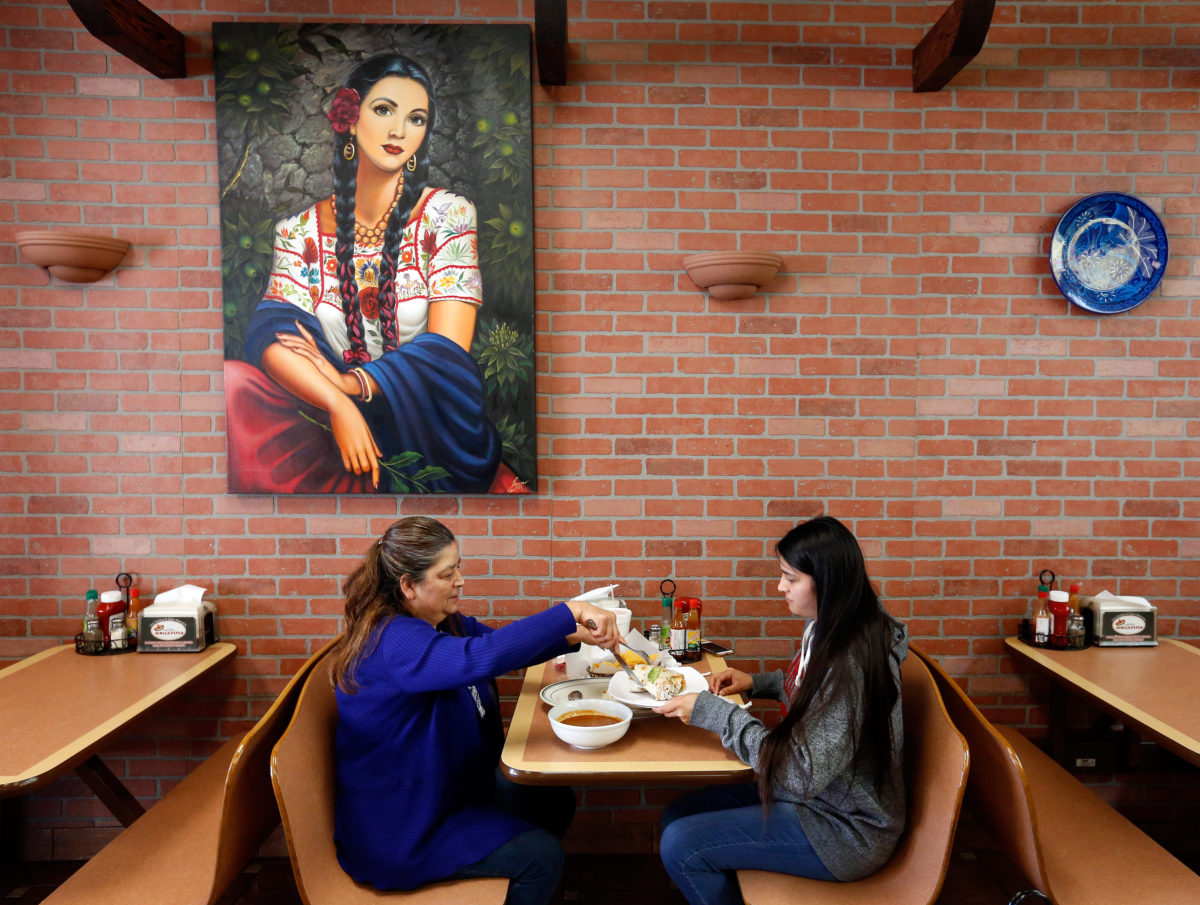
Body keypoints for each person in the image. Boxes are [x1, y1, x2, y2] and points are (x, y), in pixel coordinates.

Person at [224, 52, 527, 495]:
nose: (400, 131)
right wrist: (337, 403)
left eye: (416, 118)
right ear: (349, 117)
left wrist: (351, 383)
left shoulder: (446, 215)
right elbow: (273, 338)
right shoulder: (298, 231)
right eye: (384, 110)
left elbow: (445, 355)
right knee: (234, 382)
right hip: (328, 425)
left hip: (422, 426)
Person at [330, 516, 617, 904]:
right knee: (541, 858)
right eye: (447, 574)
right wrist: (570, 611)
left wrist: (570, 636)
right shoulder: (394, 640)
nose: (460, 580)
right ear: (409, 586)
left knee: (551, 798)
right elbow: (479, 658)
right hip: (403, 827)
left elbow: (495, 646)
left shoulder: (441, 623)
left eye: (458, 567)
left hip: (444, 792)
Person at [653, 515, 909, 905]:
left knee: (680, 845)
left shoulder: (849, 666)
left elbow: (801, 772)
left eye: (791, 578)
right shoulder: (834, 627)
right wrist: (761, 683)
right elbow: (815, 699)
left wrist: (713, 712)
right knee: (675, 817)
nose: (780, 587)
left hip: (845, 828)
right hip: (818, 798)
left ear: (827, 580)